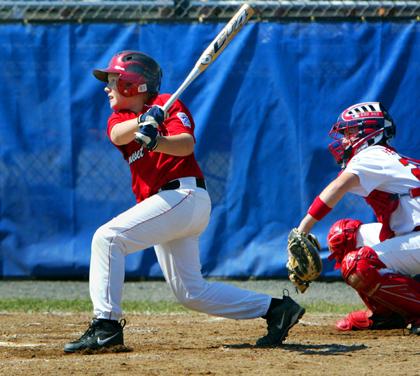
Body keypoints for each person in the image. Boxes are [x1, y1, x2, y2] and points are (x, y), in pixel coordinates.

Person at [64, 50, 304, 352]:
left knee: (107, 238)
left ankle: (106, 326)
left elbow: (186, 145)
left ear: (133, 84)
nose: (106, 87)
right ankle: (277, 310)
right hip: (165, 207)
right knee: (191, 292)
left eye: (113, 80)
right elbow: (116, 135)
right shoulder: (122, 117)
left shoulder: (168, 103)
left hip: (183, 196)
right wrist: (143, 120)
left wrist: (157, 139)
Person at [296, 101, 420, 333]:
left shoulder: (372, 154)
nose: (344, 140)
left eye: (350, 132)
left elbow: (337, 187)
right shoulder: (381, 156)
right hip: (412, 235)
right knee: (343, 235)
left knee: (358, 264)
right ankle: (386, 314)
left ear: (370, 132)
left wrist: (303, 228)